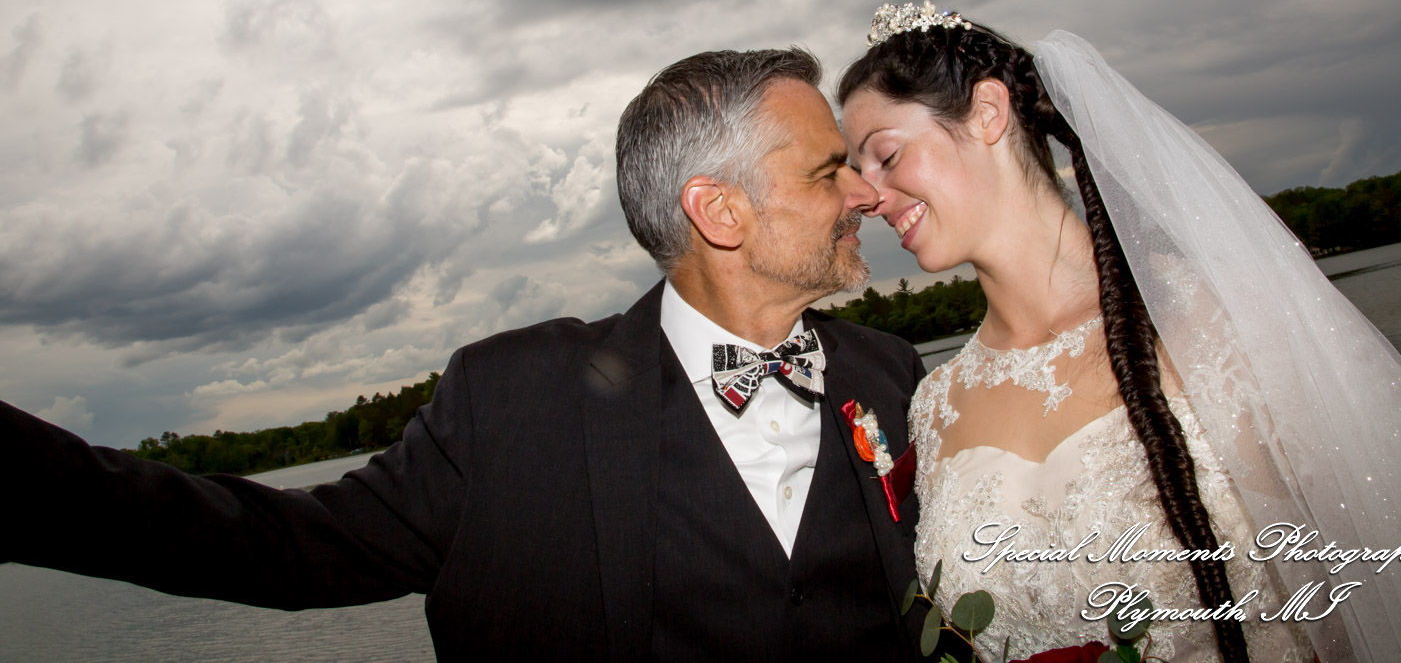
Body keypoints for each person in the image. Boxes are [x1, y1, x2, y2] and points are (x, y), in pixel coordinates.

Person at [2, 47, 930, 660]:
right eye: (827, 170)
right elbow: (282, 546)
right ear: (717, 209)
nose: (864, 190)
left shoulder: (893, 375)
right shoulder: (510, 403)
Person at [837, 3, 1401, 663]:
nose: (865, 196)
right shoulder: (936, 404)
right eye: (856, 172)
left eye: (886, 156)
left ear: (988, 112)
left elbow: (1384, 579)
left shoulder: (1213, 322)